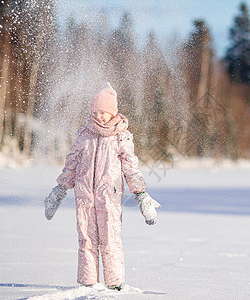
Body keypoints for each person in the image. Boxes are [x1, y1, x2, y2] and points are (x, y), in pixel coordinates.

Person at [43, 82, 161, 291]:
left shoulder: (120, 137)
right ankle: (88, 284)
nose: (98, 116)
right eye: (95, 112)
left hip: (109, 198)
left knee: (110, 240)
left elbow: (131, 168)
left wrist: (142, 195)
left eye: (103, 112)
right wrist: (60, 189)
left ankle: (114, 284)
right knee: (86, 240)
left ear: (113, 112)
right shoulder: (84, 135)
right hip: (85, 197)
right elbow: (71, 163)